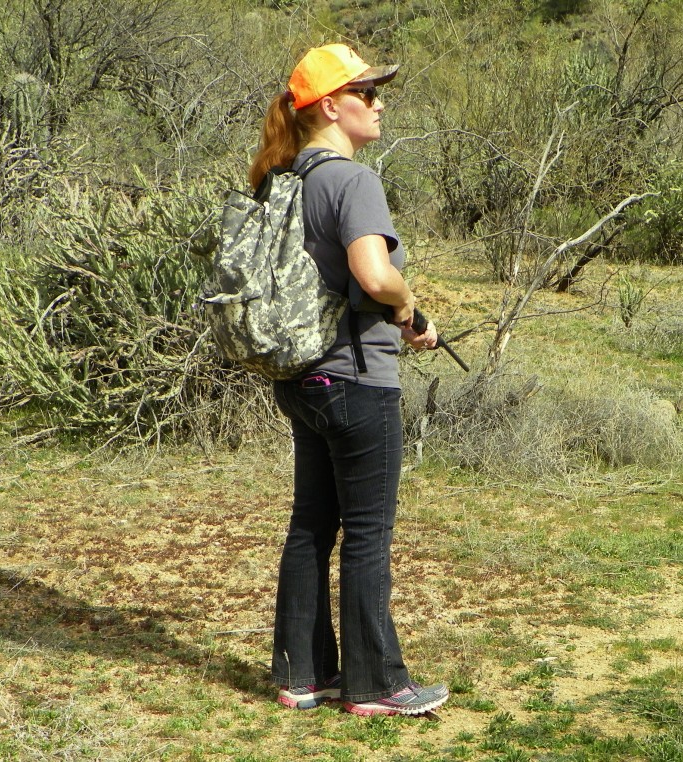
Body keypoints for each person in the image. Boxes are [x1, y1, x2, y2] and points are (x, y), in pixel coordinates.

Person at [248, 43, 448, 717]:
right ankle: (378, 686)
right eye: (367, 92)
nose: (379, 102)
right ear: (331, 107)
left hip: (302, 380)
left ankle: (302, 675)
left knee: (311, 524)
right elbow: (372, 274)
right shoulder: (351, 181)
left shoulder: (283, 179)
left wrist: (396, 307)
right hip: (357, 381)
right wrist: (406, 304)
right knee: (368, 532)